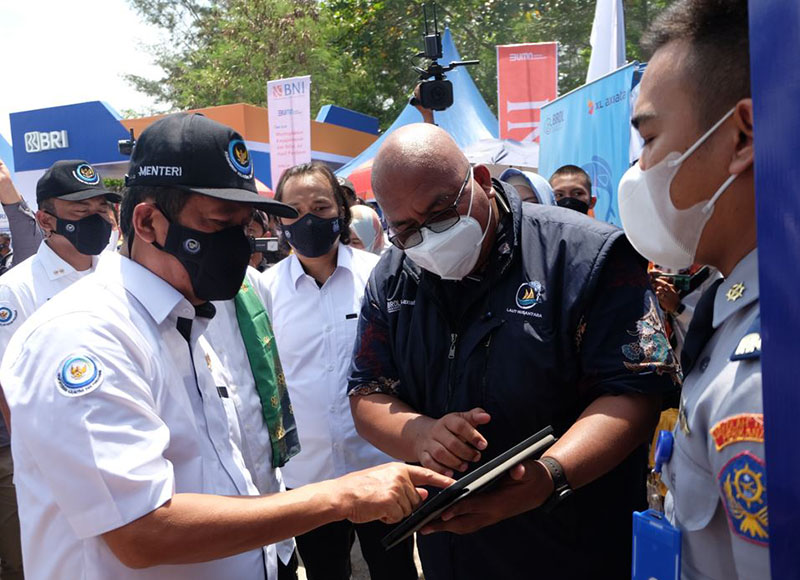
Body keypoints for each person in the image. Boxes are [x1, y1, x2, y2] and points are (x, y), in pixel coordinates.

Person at [0, 113, 452, 580]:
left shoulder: (187, 319)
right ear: (149, 222)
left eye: (245, 224)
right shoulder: (86, 336)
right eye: (220, 224)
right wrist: (338, 496)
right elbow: (141, 530)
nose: (240, 244)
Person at [348, 123, 680, 579]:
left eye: (441, 214)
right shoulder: (392, 277)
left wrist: (548, 477)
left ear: (481, 181)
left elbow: (636, 393)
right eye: (406, 229)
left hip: (574, 547)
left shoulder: (584, 256)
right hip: (454, 555)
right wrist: (420, 435)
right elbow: (367, 392)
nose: (429, 238)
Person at [618, 1, 765, 577]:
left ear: (741, 137)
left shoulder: (765, 373)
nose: (639, 169)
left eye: (650, 138)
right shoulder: (731, 309)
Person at [262, 162, 418, 580]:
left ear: (341, 212)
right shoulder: (265, 290)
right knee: (324, 571)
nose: (308, 220)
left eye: (320, 207)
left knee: (395, 570)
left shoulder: (380, 276)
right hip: (307, 477)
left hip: (379, 464)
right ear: (279, 220)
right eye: (294, 211)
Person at [0, 159, 120, 580]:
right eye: (82, 212)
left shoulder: (120, 275)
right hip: (60, 472)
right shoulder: (16, 290)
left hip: (123, 454)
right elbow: (9, 394)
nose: (97, 220)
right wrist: (43, 472)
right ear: (46, 220)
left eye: (102, 209)